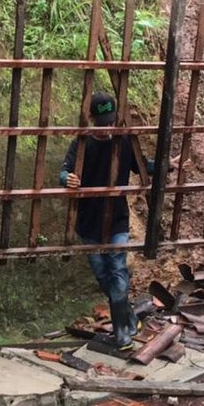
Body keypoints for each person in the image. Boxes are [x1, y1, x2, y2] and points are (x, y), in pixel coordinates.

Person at [60, 91, 142, 351]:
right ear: (92, 120)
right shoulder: (82, 144)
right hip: (89, 222)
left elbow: (143, 167)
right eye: (102, 123)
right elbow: (64, 170)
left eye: (110, 122)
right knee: (103, 275)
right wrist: (67, 179)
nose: (107, 128)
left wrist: (169, 166)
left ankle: (122, 335)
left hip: (117, 219)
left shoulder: (124, 141)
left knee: (117, 269)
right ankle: (128, 317)